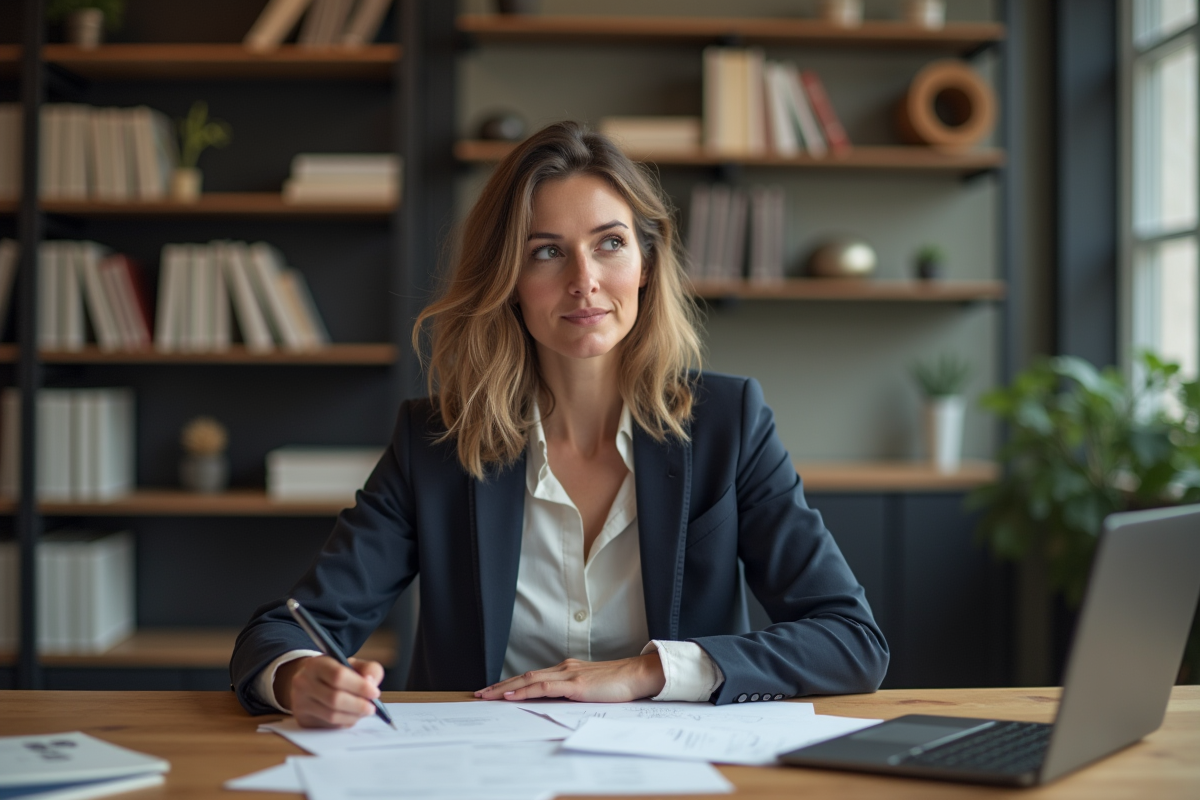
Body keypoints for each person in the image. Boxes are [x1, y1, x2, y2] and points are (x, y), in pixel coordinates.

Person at [230, 121, 888, 728]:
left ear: (647, 263)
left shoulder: (730, 424)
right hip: (476, 775)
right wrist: (298, 680)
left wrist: (646, 673)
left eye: (610, 244)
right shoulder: (435, 442)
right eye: (546, 252)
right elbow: (287, 631)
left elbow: (850, 640)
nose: (584, 280)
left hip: (677, 776)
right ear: (509, 278)